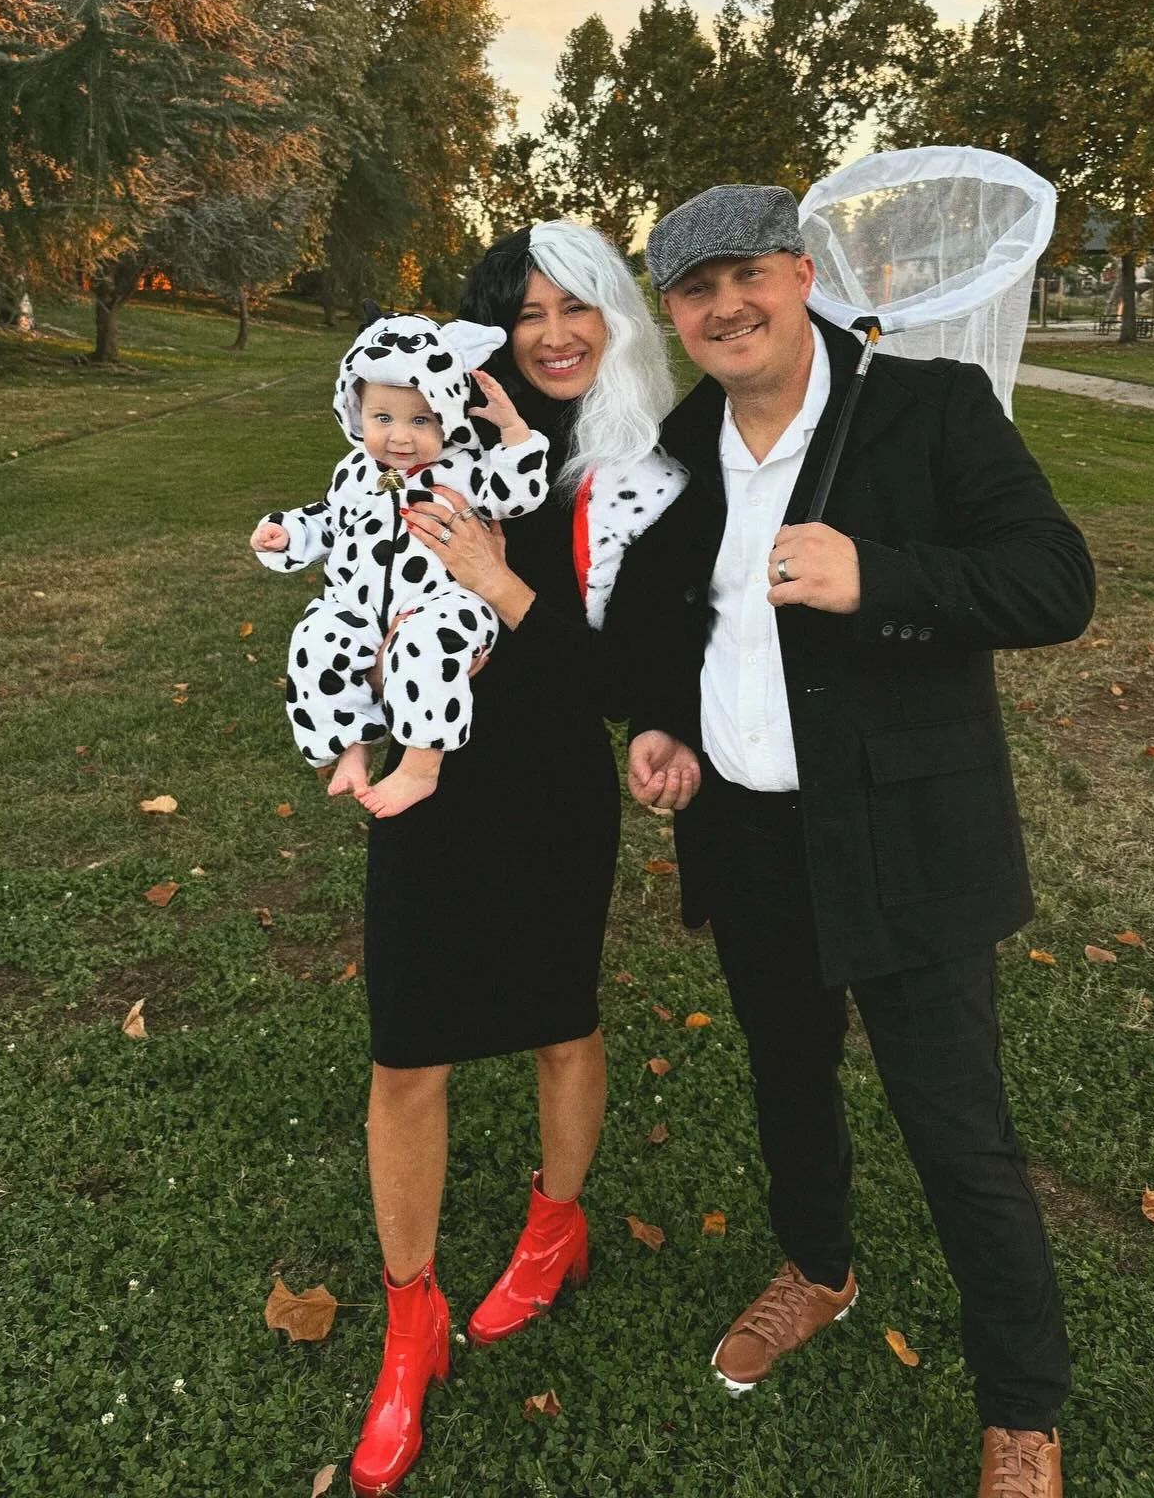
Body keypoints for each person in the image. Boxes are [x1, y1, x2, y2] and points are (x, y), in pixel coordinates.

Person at [609, 184, 1095, 1498]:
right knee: (789, 1081)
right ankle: (818, 1269)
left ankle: (1021, 1408)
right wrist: (661, 724)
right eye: (697, 290)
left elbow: (1057, 581)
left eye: (749, 275)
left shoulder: (925, 410)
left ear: (800, 276)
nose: (727, 307)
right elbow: (673, 620)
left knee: (957, 1131)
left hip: (906, 837)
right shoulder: (682, 442)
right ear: (674, 313)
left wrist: (879, 575)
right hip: (746, 835)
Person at [336, 221, 692, 1498]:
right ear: (492, 328)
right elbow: (358, 570)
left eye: (575, 306)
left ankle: (554, 1231)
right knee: (405, 1050)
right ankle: (411, 1320)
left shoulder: (635, 469)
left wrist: (502, 581)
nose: (553, 333)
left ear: (612, 317)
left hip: (549, 784)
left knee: (560, 1024)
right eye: (526, 310)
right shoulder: (432, 432)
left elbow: (627, 678)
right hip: (432, 774)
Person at [249, 311, 550, 817]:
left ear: (448, 416)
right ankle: (351, 746)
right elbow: (329, 518)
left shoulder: (466, 468)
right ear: (355, 412)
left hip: (445, 602)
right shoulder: (355, 471)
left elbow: (517, 493)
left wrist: (513, 430)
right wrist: (287, 535)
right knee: (316, 637)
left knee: (427, 645)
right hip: (358, 605)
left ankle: (420, 765)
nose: (401, 438)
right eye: (383, 419)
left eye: (421, 420)